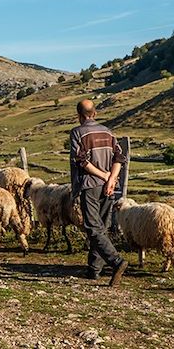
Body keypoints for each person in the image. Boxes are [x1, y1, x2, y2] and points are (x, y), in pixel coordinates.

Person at [69, 99, 128, 286]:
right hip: (110, 186)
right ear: (94, 113)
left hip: (90, 184)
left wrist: (103, 175)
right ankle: (94, 269)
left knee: (93, 227)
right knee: (102, 226)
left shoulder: (77, 133)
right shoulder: (108, 132)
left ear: (79, 115)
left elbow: (81, 160)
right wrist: (111, 179)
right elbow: (119, 157)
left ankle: (116, 261)